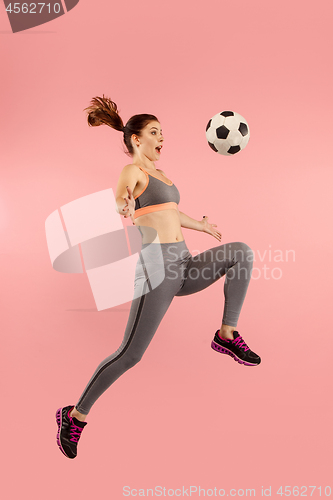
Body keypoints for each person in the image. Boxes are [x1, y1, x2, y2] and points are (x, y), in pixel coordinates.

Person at [56, 95, 261, 459]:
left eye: (162, 132)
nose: (161, 138)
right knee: (130, 354)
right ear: (136, 139)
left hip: (184, 263)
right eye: (154, 132)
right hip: (157, 269)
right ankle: (74, 416)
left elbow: (169, 211)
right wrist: (122, 204)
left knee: (241, 252)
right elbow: (123, 197)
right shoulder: (133, 171)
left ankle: (226, 334)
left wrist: (198, 224)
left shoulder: (163, 176)